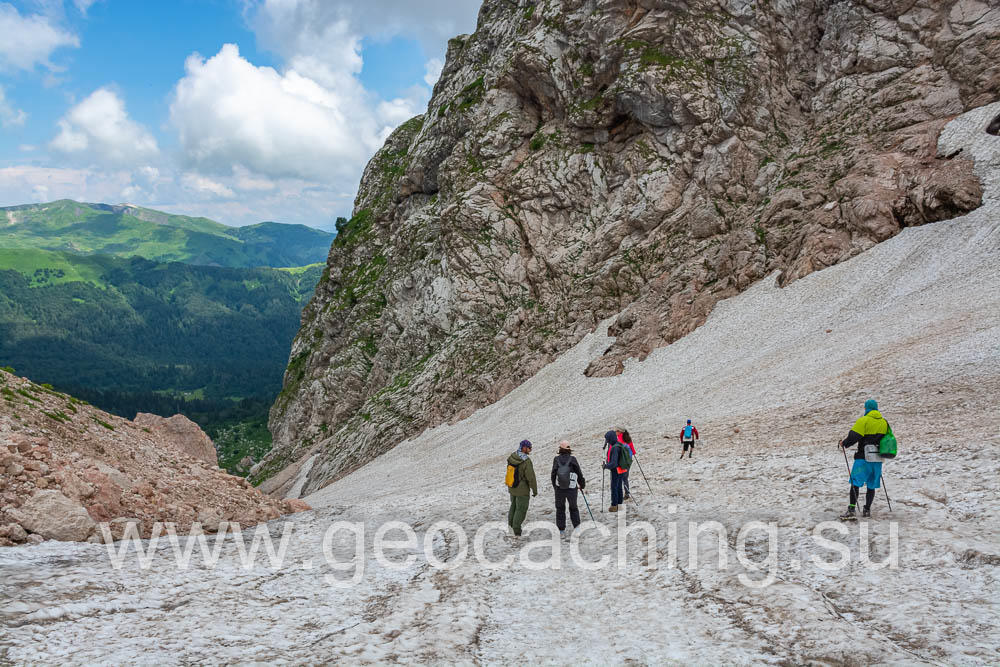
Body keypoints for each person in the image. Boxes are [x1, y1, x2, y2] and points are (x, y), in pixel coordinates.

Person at [839, 399, 888, 520]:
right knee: (871, 484)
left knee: (855, 482)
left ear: (867, 408)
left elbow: (854, 436)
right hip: (877, 459)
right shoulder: (884, 422)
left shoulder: (864, 420)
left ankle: (851, 509)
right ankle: (867, 510)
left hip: (863, 458)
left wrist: (844, 443)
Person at [550, 441, 586, 535]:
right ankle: (577, 527)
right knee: (573, 507)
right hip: (572, 488)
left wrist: (555, 486)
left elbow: (553, 474)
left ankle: (561, 529)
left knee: (560, 508)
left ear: (560, 449)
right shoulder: (573, 459)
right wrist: (582, 484)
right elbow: (579, 472)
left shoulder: (556, 459)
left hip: (559, 488)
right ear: (569, 449)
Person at [507, 439, 538, 536]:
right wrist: (534, 489)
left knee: (514, 506)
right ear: (524, 447)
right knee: (521, 509)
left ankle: (510, 526)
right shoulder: (526, 461)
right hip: (522, 489)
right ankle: (516, 530)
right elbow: (530, 477)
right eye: (529, 447)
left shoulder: (512, 456)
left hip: (512, 486)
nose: (530, 449)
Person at [603, 430, 626, 512]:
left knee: (614, 487)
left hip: (616, 470)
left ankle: (614, 505)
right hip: (621, 469)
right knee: (619, 487)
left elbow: (614, 463)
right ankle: (620, 505)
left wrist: (605, 466)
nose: (607, 441)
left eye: (607, 439)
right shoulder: (619, 445)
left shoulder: (615, 448)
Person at [616, 428, 636, 501]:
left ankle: (623, 494)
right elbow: (632, 448)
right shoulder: (627, 437)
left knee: (620, 478)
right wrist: (633, 452)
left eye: (617, 431)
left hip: (622, 461)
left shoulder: (618, 439)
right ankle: (627, 493)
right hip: (628, 460)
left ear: (620, 432)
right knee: (625, 477)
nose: (615, 432)